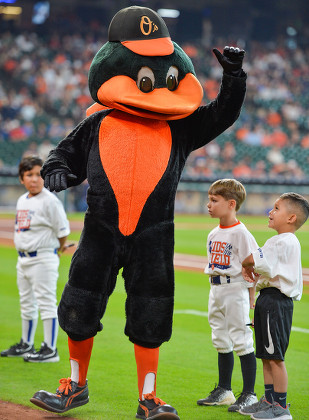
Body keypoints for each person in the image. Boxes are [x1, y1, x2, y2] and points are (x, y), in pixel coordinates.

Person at [29, 6, 247, 419]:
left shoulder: (181, 126)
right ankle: (75, 386)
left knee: (151, 314)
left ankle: (149, 398)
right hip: (101, 228)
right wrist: (57, 170)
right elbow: (65, 154)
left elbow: (223, 114)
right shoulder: (98, 121)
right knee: (79, 306)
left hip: (154, 233)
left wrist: (234, 78)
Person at [241, 192, 309, 419]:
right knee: (266, 355)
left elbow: (252, 259)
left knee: (275, 357)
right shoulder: (282, 241)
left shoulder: (282, 240)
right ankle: (269, 400)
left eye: (277, 208)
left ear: (291, 218)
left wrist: (245, 264)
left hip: (275, 302)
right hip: (269, 299)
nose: (271, 212)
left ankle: (280, 407)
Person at [1, 156, 70, 363]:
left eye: (39, 174)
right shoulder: (23, 200)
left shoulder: (50, 201)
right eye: (29, 175)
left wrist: (57, 250)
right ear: (21, 179)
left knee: (46, 303)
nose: (34, 179)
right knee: (27, 303)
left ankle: (50, 349)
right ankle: (26, 343)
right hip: (23, 259)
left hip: (42, 258)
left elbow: (62, 231)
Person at [197, 179, 258, 413]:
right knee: (220, 338)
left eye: (214, 200)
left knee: (241, 339)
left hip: (235, 289)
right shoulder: (213, 233)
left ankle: (249, 394)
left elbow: (251, 266)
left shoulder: (241, 233)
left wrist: (251, 297)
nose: (208, 205)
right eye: (209, 200)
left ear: (231, 204)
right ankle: (224, 390)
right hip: (216, 289)